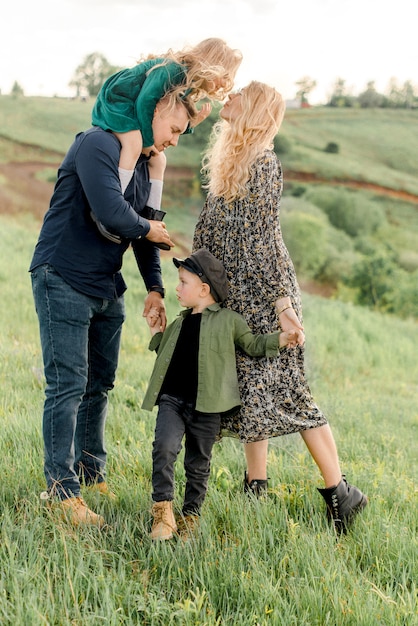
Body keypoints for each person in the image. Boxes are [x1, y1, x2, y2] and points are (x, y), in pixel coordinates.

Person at [192, 82, 368, 533]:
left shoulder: (265, 164)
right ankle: (256, 485)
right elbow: (210, 230)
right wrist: (195, 282)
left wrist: (284, 307)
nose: (225, 98)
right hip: (235, 296)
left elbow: (264, 241)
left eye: (236, 95)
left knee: (290, 391)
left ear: (251, 109)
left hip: (268, 298)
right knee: (250, 391)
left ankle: (341, 493)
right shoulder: (227, 160)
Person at [29, 90, 198, 528]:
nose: (176, 140)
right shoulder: (97, 144)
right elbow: (114, 215)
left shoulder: (142, 163)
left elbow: (146, 234)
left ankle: (90, 472)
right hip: (63, 274)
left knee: (99, 384)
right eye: (175, 129)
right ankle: (60, 493)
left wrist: (157, 289)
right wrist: (150, 226)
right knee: (67, 384)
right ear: (155, 110)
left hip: (107, 285)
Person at [141, 249, 300, 540]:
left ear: (203, 289)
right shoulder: (178, 322)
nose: (176, 288)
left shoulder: (230, 321)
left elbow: (252, 344)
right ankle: (163, 510)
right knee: (164, 447)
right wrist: (155, 332)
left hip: (208, 407)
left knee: (198, 463)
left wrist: (281, 338)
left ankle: (191, 516)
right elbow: (164, 354)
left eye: (182, 282)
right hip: (172, 400)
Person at [92, 38, 243, 194]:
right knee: (134, 144)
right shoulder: (173, 70)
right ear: (211, 65)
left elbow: (170, 119)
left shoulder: (187, 82)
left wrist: (191, 124)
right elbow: (145, 101)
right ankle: (115, 198)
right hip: (119, 98)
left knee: (159, 160)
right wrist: (147, 141)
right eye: (224, 76)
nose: (225, 84)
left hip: (133, 105)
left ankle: (152, 211)